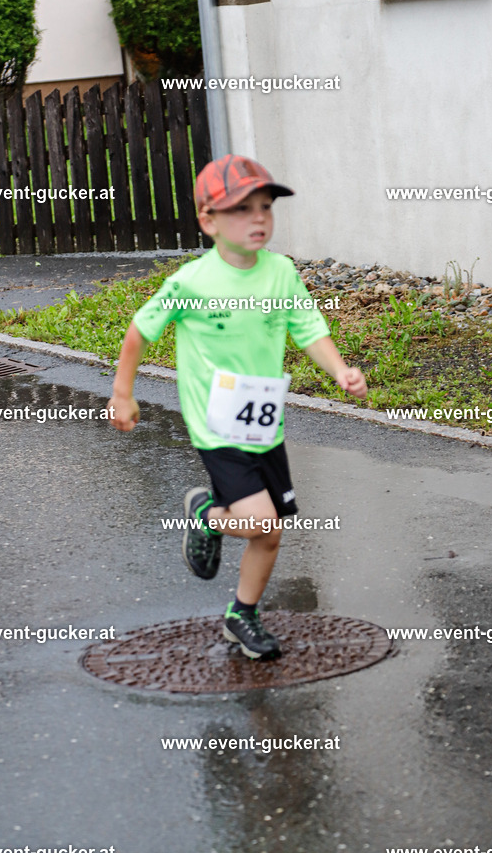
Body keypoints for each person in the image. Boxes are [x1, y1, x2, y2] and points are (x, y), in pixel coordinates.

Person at [107, 155, 367, 659]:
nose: (259, 219)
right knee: (261, 522)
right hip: (215, 422)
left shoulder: (282, 274)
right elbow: (141, 331)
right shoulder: (192, 282)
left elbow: (309, 329)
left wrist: (339, 370)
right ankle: (207, 512)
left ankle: (240, 615)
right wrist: (123, 392)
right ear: (209, 221)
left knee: (271, 534)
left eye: (266, 207)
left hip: (263, 423)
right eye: (242, 209)